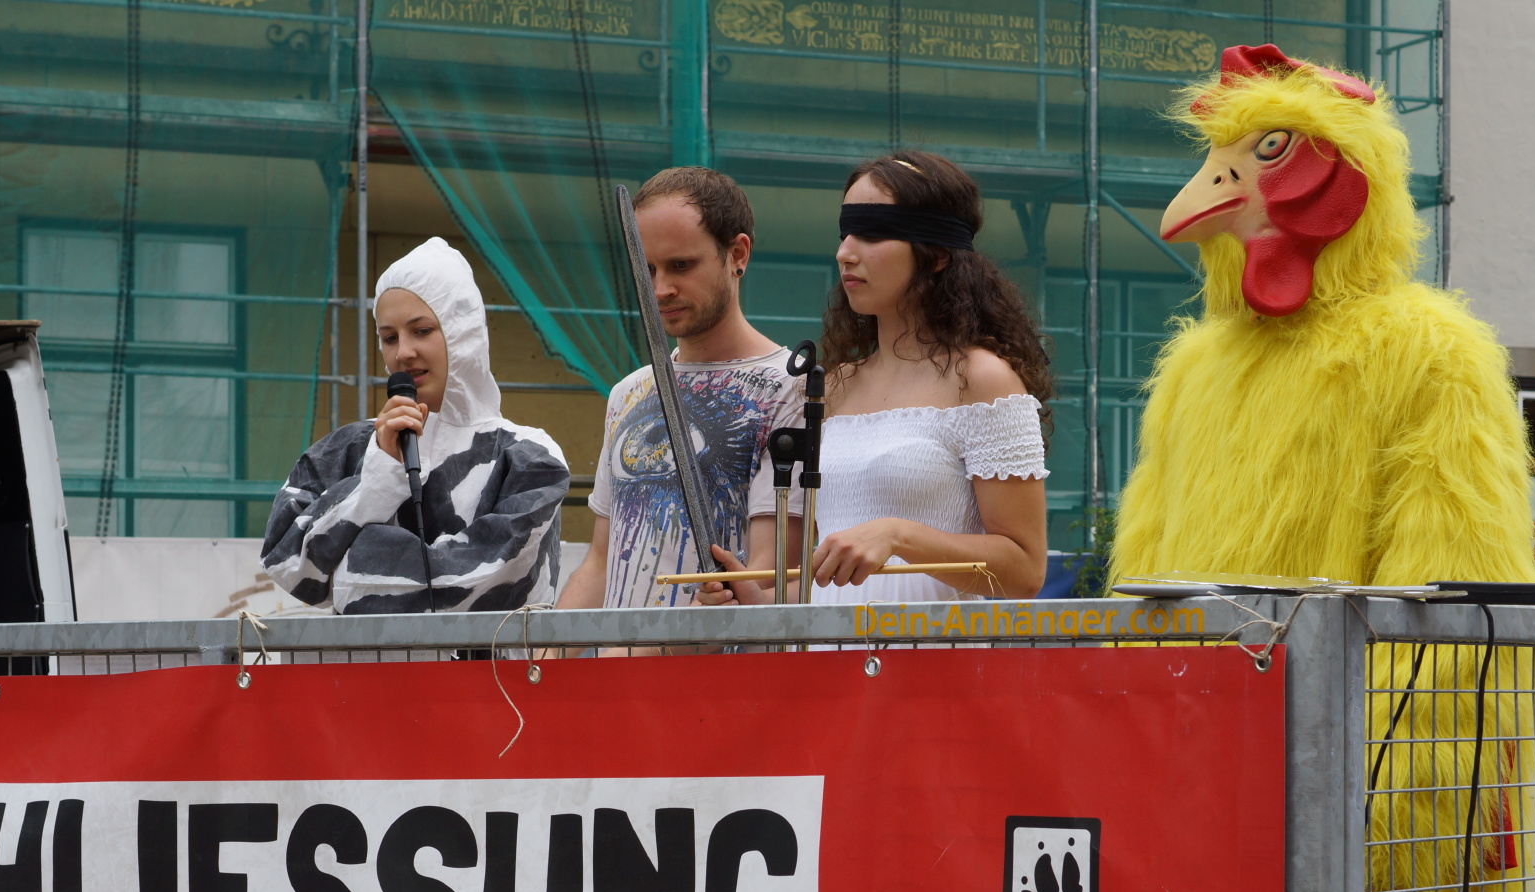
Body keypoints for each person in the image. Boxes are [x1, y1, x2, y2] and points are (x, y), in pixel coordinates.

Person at [698, 150, 1050, 608]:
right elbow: (830, 576)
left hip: (931, 666)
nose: (845, 252)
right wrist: (756, 599)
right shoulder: (834, 386)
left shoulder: (983, 380)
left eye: (872, 234)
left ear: (938, 253)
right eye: (846, 232)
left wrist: (900, 535)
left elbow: (1025, 571)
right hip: (828, 664)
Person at [262, 237, 569, 614]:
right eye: (389, 337)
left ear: (463, 333)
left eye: (421, 330)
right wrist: (375, 483)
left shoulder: (530, 456)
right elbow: (285, 563)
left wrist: (347, 572)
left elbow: (488, 584)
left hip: (492, 675)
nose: (402, 352)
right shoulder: (349, 448)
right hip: (367, 673)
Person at [555, 166, 804, 614]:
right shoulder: (627, 392)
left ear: (737, 254)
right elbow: (600, 561)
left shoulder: (791, 387)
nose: (661, 289)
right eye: (646, 269)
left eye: (681, 266)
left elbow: (773, 571)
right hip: (621, 673)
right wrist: (549, 659)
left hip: (719, 676)